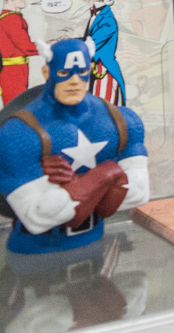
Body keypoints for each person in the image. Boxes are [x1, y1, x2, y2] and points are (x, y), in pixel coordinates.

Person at [0, 38, 148, 254]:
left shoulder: (120, 120)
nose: (75, 81)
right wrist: (107, 176)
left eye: (82, 72)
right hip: (36, 254)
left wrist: (79, 183)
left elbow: (138, 193)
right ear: (46, 72)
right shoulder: (19, 133)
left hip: (96, 244)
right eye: (64, 73)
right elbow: (37, 216)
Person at [0, 0, 35, 103]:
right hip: (14, 72)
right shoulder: (12, 18)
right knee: (17, 107)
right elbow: (27, 47)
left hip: (14, 70)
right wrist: (50, 46)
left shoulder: (10, 17)